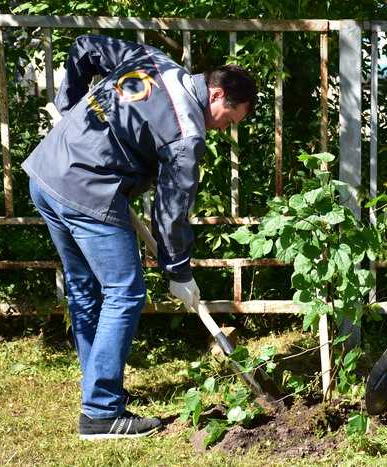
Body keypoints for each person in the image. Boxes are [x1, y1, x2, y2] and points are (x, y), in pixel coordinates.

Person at [22, 35, 257, 439]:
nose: (222, 129)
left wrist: (69, 105)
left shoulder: (153, 60)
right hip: (87, 189)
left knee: (83, 289)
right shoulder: (187, 135)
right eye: (228, 119)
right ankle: (100, 412)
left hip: (47, 174)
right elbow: (170, 213)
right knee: (125, 293)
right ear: (217, 94)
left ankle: (97, 386)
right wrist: (179, 271)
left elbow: (85, 47)